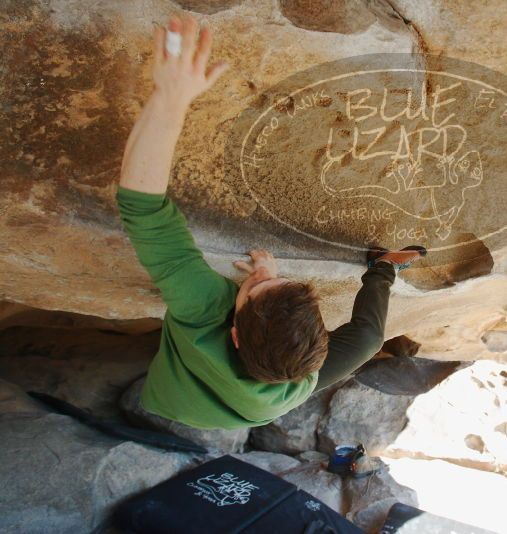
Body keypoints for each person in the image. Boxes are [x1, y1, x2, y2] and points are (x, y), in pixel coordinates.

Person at [117, 14, 424, 430]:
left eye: (254, 290)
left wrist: (170, 98)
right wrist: (263, 283)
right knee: (369, 339)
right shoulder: (300, 378)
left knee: (366, 340)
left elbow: (142, 206)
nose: (264, 274)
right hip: (251, 408)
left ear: (235, 335)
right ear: (317, 346)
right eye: (277, 280)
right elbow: (357, 338)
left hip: (172, 395)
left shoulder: (204, 309)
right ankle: (383, 265)